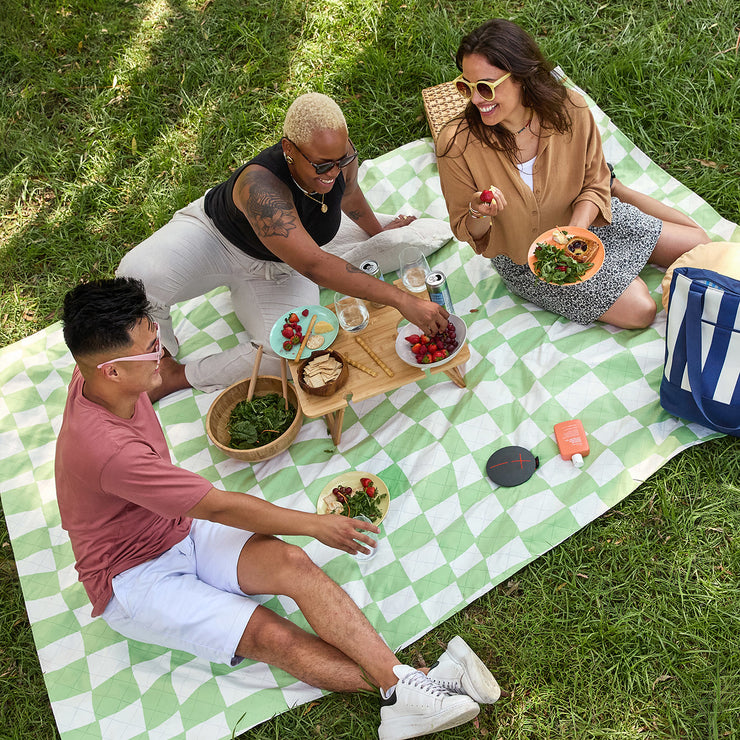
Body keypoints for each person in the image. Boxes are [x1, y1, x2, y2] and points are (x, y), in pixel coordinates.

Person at [53, 277, 499, 740]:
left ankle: (407, 691)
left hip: (174, 528)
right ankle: (414, 690)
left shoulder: (97, 374)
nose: (162, 353)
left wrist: (301, 535)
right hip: (133, 575)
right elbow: (219, 507)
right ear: (112, 371)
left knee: (290, 562)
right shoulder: (108, 451)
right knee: (271, 636)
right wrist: (315, 524)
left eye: (156, 337)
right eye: (151, 348)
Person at [117, 92, 448, 398]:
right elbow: (315, 266)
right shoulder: (259, 187)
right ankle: (158, 351)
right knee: (137, 278)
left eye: (340, 158)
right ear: (289, 150)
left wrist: (377, 233)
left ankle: (179, 376)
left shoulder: (341, 160)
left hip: (281, 266)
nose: (333, 171)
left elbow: (349, 194)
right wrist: (401, 300)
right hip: (216, 241)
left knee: (293, 354)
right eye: (321, 164)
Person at [436, 19, 708, 330]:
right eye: (466, 86)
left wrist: (576, 232)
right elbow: (466, 229)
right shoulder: (456, 143)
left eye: (485, 87)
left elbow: (591, 185)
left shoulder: (570, 109)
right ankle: (614, 193)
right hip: (534, 260)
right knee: (641, 310)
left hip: (586, 219)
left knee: (698, 243)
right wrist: (478, 211)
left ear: (521, 77)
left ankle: (615, 187)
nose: (475, 99)